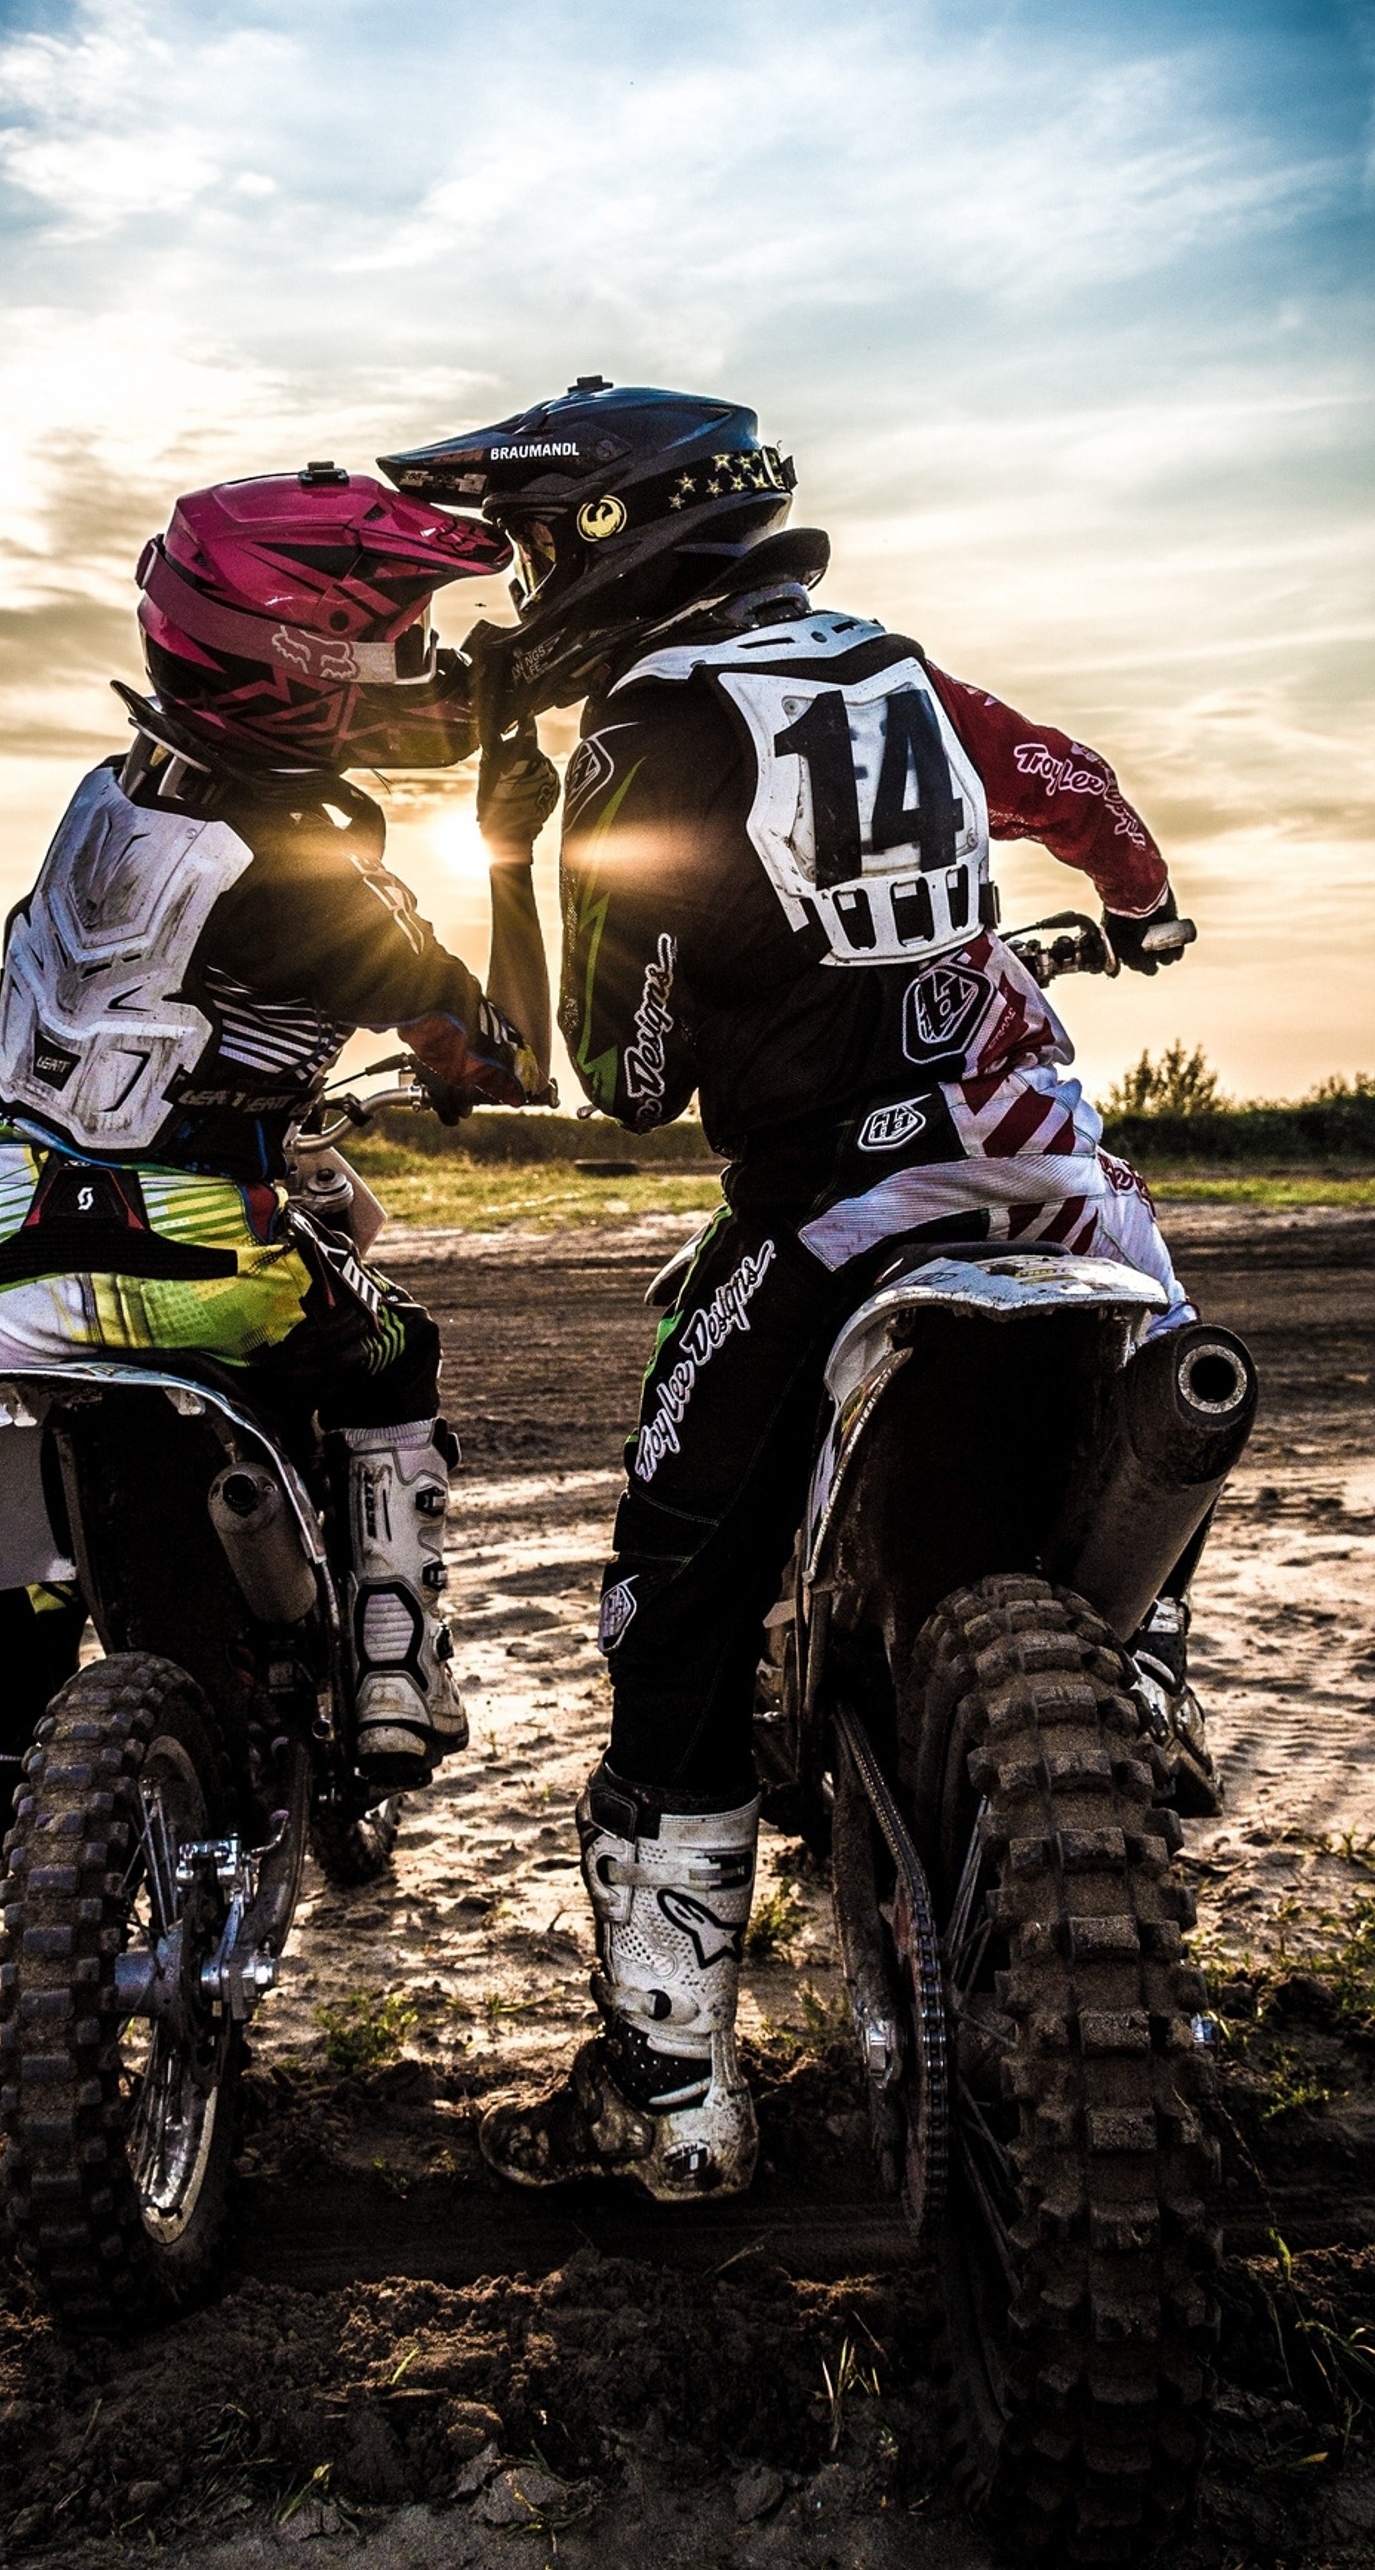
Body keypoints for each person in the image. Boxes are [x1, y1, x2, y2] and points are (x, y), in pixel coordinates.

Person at [379, 378, 1210, 2202]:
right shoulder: (893, 665)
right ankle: (1146, 1690)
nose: (519, 590)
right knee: (1158, 1417)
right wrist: (1138, 907)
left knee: (670, 1599)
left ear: (610, 535)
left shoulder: (651, 733)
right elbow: (1072, 787)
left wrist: (523, 852)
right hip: (1068, 1192)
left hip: (837, 1214)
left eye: (528, 544)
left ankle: (672, 2091)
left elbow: (627, 1074)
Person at [0, 461, 548, 2144]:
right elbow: (490, 1058)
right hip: (191, 1266)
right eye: (387, 643)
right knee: (391, 1350)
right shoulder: (309, 878)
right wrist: (509, 850)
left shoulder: (109, 799)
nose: (410, 669)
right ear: (304, 659)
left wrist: (468, 713)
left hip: (6, 1270)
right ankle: (388, 1665)